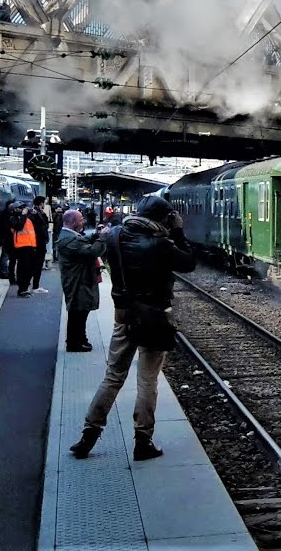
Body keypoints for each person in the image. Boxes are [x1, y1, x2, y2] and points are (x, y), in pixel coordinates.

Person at [69, 196, 196, 461]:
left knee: (113, 376)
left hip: (124, 316)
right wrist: (179, 231)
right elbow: (189, 263)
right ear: (164, 219)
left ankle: (88, 434)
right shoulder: (162, 244)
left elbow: (96, 243)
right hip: (154, 317)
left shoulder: (115, 236)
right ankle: (143, 442)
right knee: (147, 381)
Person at [57, 211, 106, 352]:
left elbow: (82, 241)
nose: (83, 222)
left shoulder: (69, 236)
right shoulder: (68, 240)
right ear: (72, 222)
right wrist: (101, 239)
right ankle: (74, 343)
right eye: (80, 220)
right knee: (78, 312)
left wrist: (95, 235)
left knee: (80, 311)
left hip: (79, 279)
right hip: (77, 281)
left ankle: (80, 339)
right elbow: (91, 252)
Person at [11, 202, 39, 297]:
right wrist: (23, 215)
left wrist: (36, 213)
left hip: (31, 246)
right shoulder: (13, 218)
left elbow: (40, 223)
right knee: (23, 268)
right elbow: (19, 226)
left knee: (32, 268)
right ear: (15, 209)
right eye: (20, 208)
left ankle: (26, 286)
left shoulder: (28, 218)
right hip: (21, 247)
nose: (23, 209)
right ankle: (22, 289)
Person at [0, 200, 16, 280]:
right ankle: (4, 272)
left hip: (6, 237)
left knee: (5, 255)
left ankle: (4, 272)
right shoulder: (7, 215)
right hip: (7, 237)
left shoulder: (3, 214)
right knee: (5, 255)